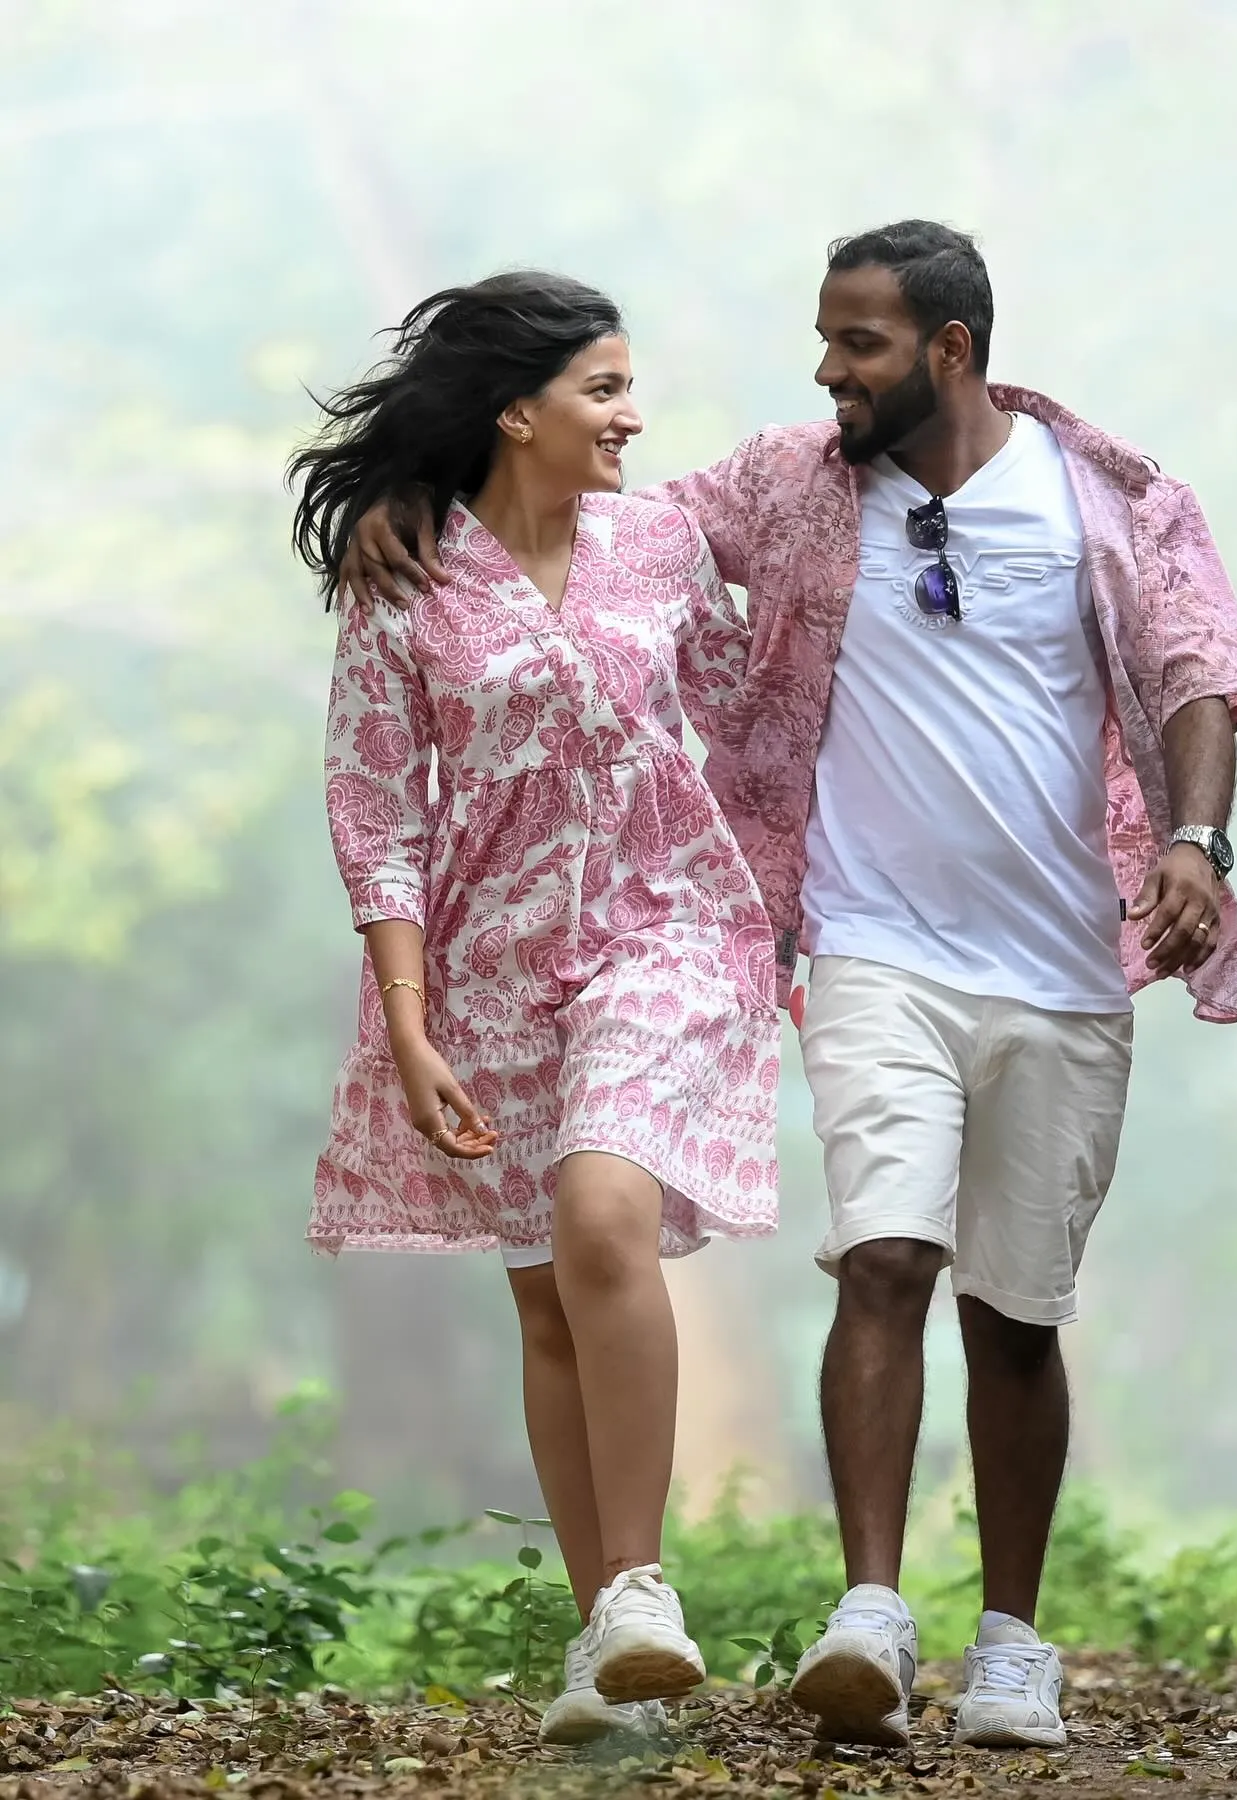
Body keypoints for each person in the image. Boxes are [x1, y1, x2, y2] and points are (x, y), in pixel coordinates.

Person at [340, 222, 1237, 1753]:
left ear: (950, 349)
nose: (825, 371)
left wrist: (1192, 840)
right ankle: (842, 1615)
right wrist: (408, 494)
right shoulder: (782, 487)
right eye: (824, 340)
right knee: (869, 1262)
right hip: (841, 949)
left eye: (859, 344)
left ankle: (1012, 1643)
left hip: (989, 953)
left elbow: (1192, 674)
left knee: (1011, 1313)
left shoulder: (1108, 496)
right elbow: (517, 593)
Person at [288, 271, 781, 1746]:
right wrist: (410, 1020)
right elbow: (376, 805)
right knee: (546, 1302)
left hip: (666, 932)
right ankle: (605, 1653)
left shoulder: (666, 547)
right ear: (519, 410)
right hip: (490, 967)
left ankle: (639, 1591)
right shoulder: (408, 579)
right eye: (606, 390)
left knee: (606, 1215)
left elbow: (748, 725)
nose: (635, 416)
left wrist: (807, 917)